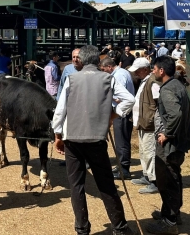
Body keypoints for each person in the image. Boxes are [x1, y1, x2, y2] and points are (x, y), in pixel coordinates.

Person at [52, 45, 136, 235]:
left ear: (80, 61)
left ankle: (82, 229)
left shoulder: (71, 79)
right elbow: (129, 100)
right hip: (97, 140)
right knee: (106, 184)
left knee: (76, 186)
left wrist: (58, 136)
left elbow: (60, 111)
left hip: (72, 139)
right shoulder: (108, 78)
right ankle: (120, 228)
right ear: (98, 61)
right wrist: (113, 116)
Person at [147, 56, 190, 235]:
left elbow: (175, 114)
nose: (153, 71)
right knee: (173, 177)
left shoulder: (167, 90)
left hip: (170, 144)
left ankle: (169, 222)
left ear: (161, 71)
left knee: (167, 180)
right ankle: (172, 213)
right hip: (180, 142)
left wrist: (167, 134)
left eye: (154, 68)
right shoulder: (177, 85)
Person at [128, 58, 160, 195]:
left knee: (150, 151)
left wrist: (152, 119)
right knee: (143, 151)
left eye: (137, 70)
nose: (135, 73)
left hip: (149, 124)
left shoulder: (152, 82)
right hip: (143, 122)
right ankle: (147, 175)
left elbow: (158, 102)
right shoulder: (146, 81)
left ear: (145, 69)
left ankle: (155, 181)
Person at [100, 57, 135, 180]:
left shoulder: (118, 76)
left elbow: (121, 97)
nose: (104, 72)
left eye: (104, 70)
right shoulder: (122, 73)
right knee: (121, 140)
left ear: (109, 67)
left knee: (122, 141)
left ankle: (124, 169)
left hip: (121, 111)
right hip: (122, 111)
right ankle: (121, 165)